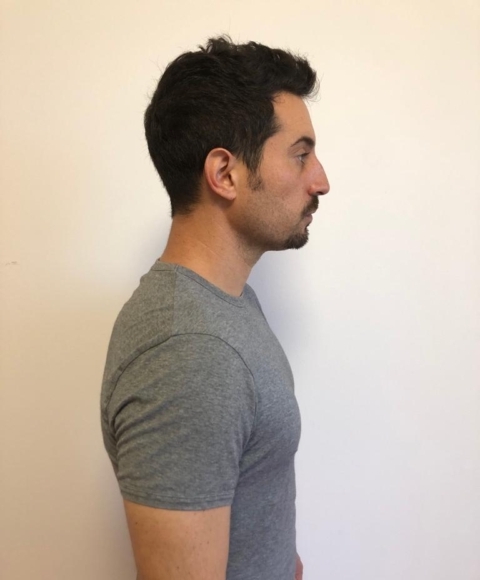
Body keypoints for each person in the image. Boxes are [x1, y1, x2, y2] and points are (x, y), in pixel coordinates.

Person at [101, 35, 330, 580]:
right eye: (300, 155)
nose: (320, 180)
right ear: (225, 173)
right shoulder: (189, 354)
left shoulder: (226, 305)